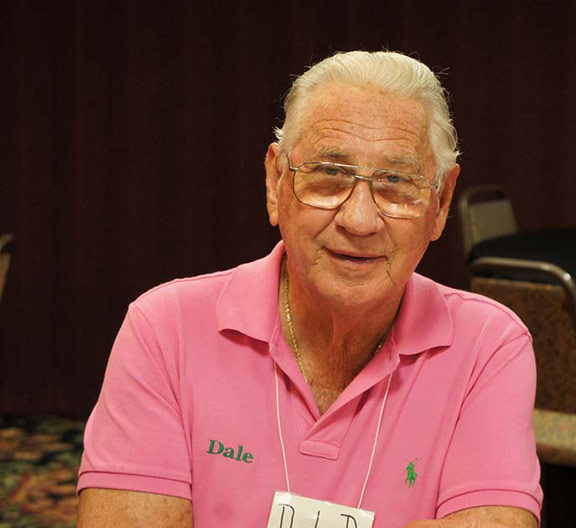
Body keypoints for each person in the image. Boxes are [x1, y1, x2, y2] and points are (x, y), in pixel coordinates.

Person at [77, 50, 542, 528]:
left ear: (440, 203)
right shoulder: (166, 329)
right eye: (330, 176)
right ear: (275, 181)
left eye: (396, 182)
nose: (359, 220)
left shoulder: (487, 345)